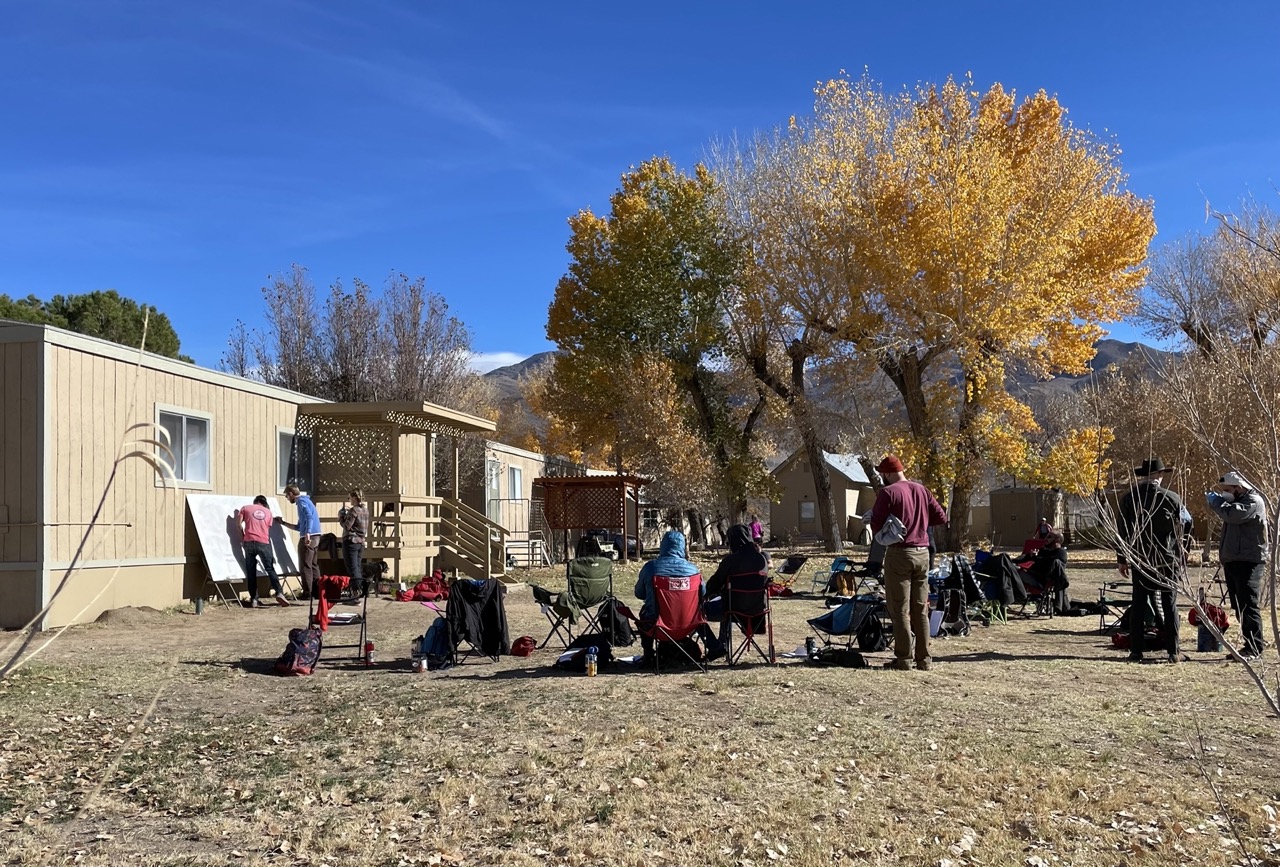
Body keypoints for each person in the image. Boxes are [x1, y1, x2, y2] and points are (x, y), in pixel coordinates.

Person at [868, 454, 948, 671]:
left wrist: (887, 527)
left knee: (899, 608)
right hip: (923, 553)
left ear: (888, 473)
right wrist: (919, 523)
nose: (881, 477)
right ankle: (925, 660)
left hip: (899, 553)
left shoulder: (888, 492)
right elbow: (941, 517)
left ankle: (904, 658)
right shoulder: (921, 489)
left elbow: (876, 524)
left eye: (882, 474)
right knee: (921, 608)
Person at [1116, 457, 1190, 664]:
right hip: (1167, 558)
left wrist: (1122, 558)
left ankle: (1136, 651)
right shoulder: (1172, 498)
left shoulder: (1129, 499)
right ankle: (1174, 651)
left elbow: (1122, 531)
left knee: (1139, 604)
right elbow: (1186, 524)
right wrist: (1183, 549)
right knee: (1170, 603)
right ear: (1159, 475)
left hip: (1141, 557)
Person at [634, 529, 723, 662]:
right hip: (689, 624)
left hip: (658, 624)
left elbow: (639, 593)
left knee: (644, 614)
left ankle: (648, 654)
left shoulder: (650, 568)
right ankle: (714, 646)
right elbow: (702, 594)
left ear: (663, 546)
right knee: (697, 613)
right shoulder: (693, 570)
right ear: (682, 546)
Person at [1206, 471, 1268, 659]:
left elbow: (1233, 516)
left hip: (1249, 561)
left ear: (1238, 488)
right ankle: (1247, 645)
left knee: (1248, 605)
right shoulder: (1234, 503)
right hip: (1233, 560)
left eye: (1227, 490)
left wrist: (1216, 502)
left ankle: (1255, 647)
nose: (1224, 493)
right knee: (1239, 606)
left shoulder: (1253, 502)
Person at [705, 523, 770, 650]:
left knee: (706, 608)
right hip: (758, 609)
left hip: (732, 609)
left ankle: (720, 645)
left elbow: (715, 583)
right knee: (729, 596)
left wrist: (708, 593)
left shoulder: (731, 560)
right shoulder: (761, 559)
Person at [235, 495, 289, 608]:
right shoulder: (268, 512)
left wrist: (243, 537)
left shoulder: (245, 508)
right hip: (263, 542)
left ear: (255, 502)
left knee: (251, 571)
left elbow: (239, 524)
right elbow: (266, 529)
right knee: (269, 568)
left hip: (249, 541)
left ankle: (254, 599)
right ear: (264, 503)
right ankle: (279, 592)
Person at [278, 483, 321, 598]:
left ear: (291, 494)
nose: (287, 499)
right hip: (316, 536)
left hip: (309, 536)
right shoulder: (308, 501)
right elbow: (298, 527)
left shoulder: (301, 502)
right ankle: (317, 591)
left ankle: (308, 593)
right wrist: (283, 523)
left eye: (287, 496)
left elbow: (309, 517)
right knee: (313, 565)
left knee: (305, 565)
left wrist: (307, 533)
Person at [1016, 531, 1070, 613]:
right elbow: (1024, 558)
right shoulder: (1044, 551)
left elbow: (1049, 565)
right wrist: (1030, 555)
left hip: (1042, 582)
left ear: (1057, 540)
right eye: (1046, 536)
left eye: (1049, 537)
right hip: (1034, 576)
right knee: (1013, 568)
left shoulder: (1061, 553)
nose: (1046, 539)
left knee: (1016, 573)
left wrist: (1036, 558)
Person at [340, 488, 370, 600]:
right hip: (361, 542)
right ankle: (362, 590)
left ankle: (356, 593)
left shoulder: (354, 510)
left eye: (350, 498)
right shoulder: (366, 510)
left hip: (351, 541)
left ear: (354, 498)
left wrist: (341, 517)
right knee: (357, 567)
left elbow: (346, 526)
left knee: (352, 568)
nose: (349, 500)